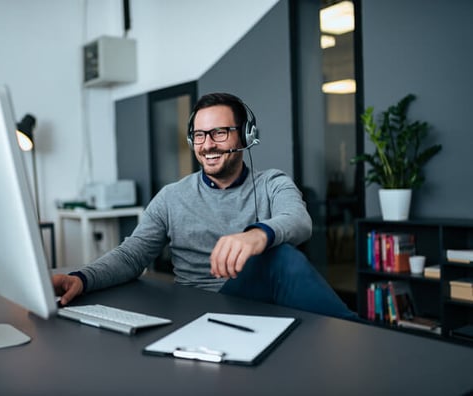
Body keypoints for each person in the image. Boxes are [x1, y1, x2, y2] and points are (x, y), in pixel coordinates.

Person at [53, 92, 356, 320]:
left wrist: (257, 235)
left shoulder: (272, 183)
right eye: (199, 135)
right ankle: (361, 336)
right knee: (281, 259)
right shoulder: (171, 196)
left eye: (219, 133)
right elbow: (132, 255)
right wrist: (81, 278)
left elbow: (299, 220)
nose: (208, 144)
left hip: (259, 307)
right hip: (197, 311)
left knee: (280, 257)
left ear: (247, 135)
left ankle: (358, 337)